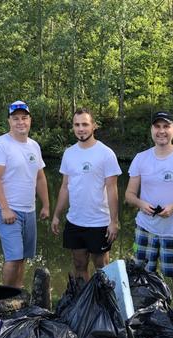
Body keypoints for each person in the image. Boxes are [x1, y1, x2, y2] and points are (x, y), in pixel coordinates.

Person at [125, 111, 173, 311]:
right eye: (157, 127)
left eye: (166, 127)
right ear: (151, 130)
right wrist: (142, 204)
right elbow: (129, 195)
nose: (161, 131)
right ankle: (144, 314)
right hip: (145, 229)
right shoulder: (141, 158)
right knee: (142, 274)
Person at [51, 108, 121, 280]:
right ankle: (84, 303)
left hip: (99, 222)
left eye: (85, 124)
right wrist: (57, 215)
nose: (81, 129)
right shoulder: (69, 153)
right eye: (77, 125)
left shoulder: (106, 153)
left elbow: (112, 189)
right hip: (75, 220)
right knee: (79, 265)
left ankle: (103, 303)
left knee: (102, 268)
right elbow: (65, 186)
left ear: (94, 126)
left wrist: (114, 221)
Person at [0, 100, 50, 288]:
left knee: (23, 257)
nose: (20, 122)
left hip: (28, 210)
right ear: (9, 121)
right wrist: (5, 208)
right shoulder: (0, 145)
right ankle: (5, 299)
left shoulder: (34, 146)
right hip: (7, 210)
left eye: (24, 118)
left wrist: (46, 204)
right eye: (16, 119)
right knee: (13, 257)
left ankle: (19, 295)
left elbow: (40, 178)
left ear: (30, 120)